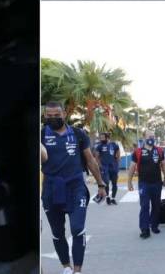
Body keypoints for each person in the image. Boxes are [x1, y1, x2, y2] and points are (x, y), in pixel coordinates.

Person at [41, 102, 106, 274]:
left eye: (57, 115)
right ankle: (66, 268)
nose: (53, 118)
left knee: (77, 228)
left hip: (75, 186)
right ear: (45, 116)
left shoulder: (78, 134)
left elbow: (91, 160)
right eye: (49, 116)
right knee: (57, 232)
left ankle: (77, 270)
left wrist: (101, 184)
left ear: (64, 114)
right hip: (51, 187)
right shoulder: (40, 135)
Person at [126, 129, 165, 239]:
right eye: (149, 136)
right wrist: (129, 181)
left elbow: (164, 165)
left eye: (153, 136)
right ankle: (145, 229)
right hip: (144, 184)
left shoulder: (159, 151)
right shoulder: (138, 152)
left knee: (156, 206)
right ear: (144, 138)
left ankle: (154, 225)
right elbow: (132, 167)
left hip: (157, 183)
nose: (151, 138)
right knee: (144, 206)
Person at [95, 131, 122, 205]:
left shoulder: (114, 145)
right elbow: (96, 157)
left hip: (113, 167)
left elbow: (118, 154)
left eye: (103, 138)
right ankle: (107, 198)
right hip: (104, 168)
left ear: (107, 138)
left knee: (114, 184)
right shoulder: (99, 146)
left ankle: (113, 198)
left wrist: (117, 164)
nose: (101, 139)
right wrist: (100, 165)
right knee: (106, 183)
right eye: (100, 138)